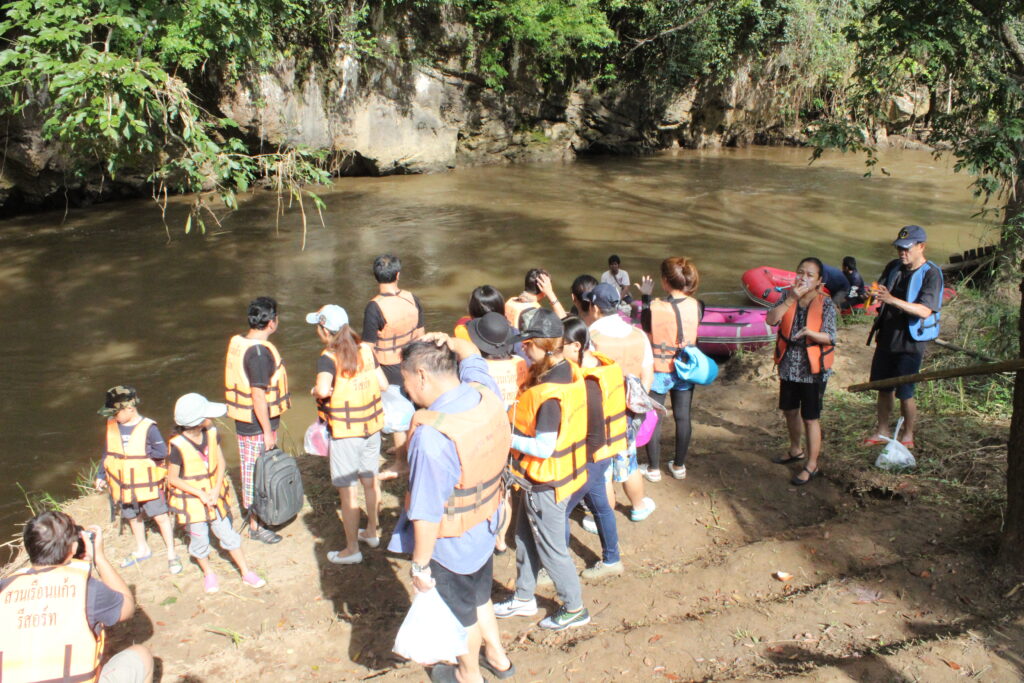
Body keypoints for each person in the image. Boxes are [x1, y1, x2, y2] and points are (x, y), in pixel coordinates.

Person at [386, 339, 514, 683]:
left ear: (422, 375)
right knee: (480, 595)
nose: (406, 389)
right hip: (486, 523)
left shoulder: (431, 437)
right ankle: (498, 657)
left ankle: (468, 674)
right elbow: (472, 358)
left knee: (460, 615)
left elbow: (426, 514)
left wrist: (420, 566)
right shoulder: (484, 393)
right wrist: (456, 342)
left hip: (452, 544)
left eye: (405, 380)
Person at [494, 310, 591, 631]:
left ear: (543, 346)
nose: (522, 348)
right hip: (542, 479)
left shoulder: (550, 395)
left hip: (548, 483)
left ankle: (574, 608)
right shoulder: (567, 370)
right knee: (523, 535)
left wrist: (506, 435)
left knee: (551, 550)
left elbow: (544, 447)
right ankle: (524, 596)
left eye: (527, 344)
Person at [0, 510, 154, 682]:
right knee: (142, 655)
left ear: (28, 547)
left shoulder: (4, 588)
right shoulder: (85, 587)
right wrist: (99, 558)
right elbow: (127, 608)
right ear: (74, 547)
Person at [308, 304, 389, 565]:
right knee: (370, 481)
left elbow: (323, 390)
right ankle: (372, 531)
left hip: (346, 432)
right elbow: (384, 384)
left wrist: (315, 391)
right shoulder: (365, 349)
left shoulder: (328, 357)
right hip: (372, 428)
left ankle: (352, 549)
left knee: (348, 493)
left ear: (325, 330)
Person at [166, 393, 267, 592]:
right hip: (194, 502)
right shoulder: (177, 446)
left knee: (228, 535)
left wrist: (216, 488)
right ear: (197, 422)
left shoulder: (211, 433)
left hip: (214, 495)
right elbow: (173, 478)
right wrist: (200, 494)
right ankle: (209, 573)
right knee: (200, 540)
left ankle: (246, 572)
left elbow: (220, 462)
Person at [864, 225, 944, 448]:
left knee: (905, 392)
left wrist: (891, 300)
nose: (902, 253)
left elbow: (925, 311)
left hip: (911, 341)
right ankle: (882, 430)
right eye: (899, 248)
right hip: (886, 336)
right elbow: (881, 290)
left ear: (921, 247)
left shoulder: (931, 274)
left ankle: (908, 435)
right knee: (883, 387)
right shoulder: (893, 267)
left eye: (907, 249)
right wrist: (873, 294)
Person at [582, 282, 656, 521]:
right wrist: (634, 407)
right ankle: (638, 506)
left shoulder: (590, 336)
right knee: (628, 460)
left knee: (601, 469)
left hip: (600, 413)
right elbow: (647, 376)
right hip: (629, 411)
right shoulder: (638, 334)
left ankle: (600, 518)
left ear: (594, 308)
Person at [561, 317, 624, 579]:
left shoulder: (589, 382)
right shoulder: (597, 364)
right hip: (604, 453)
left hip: (591, 455)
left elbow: (595, 435)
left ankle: (555, 569)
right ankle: (612, 560)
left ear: (576, 346)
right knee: (600, 506)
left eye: (559, 347)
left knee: (560, 510)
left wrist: (579, 467)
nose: (555, 353)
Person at [224, 295, 290, 543]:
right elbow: (258, 395)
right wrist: (267, 431)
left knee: (256, 470)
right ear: (272, 322)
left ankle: (261, 518)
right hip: (256, 424)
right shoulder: (259, 353)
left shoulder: (241, 342)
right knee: (257, 474)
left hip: (247, 422)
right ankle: (256, 525)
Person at [93, 385, 180, 574]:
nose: (114, 416)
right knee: (132, 516)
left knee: (160, 516)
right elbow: (107, 453)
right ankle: (142, 549)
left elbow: (161, 452)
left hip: (146, 483)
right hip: (123, 483)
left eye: (116, 412)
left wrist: (144, 458)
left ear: (130, 409)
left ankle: (172, 553)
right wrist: (101, 475)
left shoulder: (149, 427)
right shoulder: (112, 425)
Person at [765, 258, 837, 485]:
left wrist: (810, 333)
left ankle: (811, 464)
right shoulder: (787, 296)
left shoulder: (826, 303)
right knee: (789, 409)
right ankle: (795, 449)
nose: (803, 278)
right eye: (800, 272)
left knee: (810, 417)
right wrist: (791, 299)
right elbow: (771, 319)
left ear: (819, 281)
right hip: (789, 363)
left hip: (812, 368)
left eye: (809, 275)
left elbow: (830, 336)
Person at [638, 257, 702, 481]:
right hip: (685, 368)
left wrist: (645, 297)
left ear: (665, 281)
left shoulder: (655, 307)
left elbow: (645, 327)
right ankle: (679, 466)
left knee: (654, 417)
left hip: (660, 369)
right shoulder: (697, 305)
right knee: (683, 417)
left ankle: (654, 469)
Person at [363, 254, 425, 386]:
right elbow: (421, 336)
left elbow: (367, 349)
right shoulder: (412, 299)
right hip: (413, 364)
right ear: (397, 275)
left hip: (388, 371)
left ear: (376, 276)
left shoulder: (374, 307)